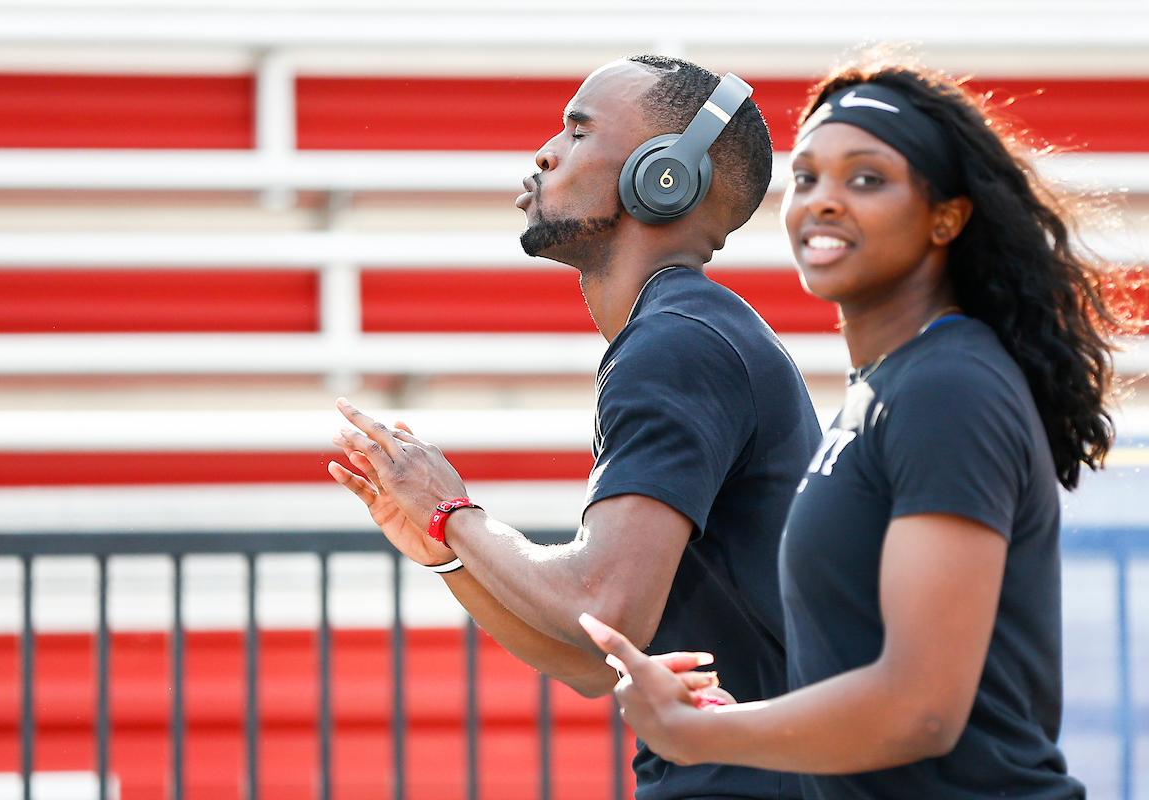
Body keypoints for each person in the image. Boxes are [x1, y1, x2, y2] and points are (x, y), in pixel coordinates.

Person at [581, 53, 1125, 799]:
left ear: (947, 216)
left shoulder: (948, 385)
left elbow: (921, 709)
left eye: (866, 178)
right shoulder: (885, 388)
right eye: (807, 178)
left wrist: (701, 733)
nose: (824, 201)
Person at [330, 55, 821, 800]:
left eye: (578, 131)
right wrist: (449, 556)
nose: (545, 152)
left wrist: (452, 512)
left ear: (666, 175)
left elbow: (602, 603)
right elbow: (596, 658)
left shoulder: (675, 344)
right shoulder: (683, 332)